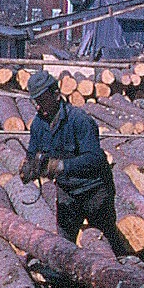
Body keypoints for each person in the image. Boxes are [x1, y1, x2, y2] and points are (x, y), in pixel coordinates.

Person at [19, 69, 130, 256]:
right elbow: (32, 154)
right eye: (35, 102)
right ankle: (65, 284)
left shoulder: (79, 120)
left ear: (56, 95)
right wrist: (28, 168)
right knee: (64, 246)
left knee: (105, 242)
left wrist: (60, 166)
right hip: (67, 191)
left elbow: (95, 158)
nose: (38, 107)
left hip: (95, 191)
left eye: (42, 100)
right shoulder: (38, 124)